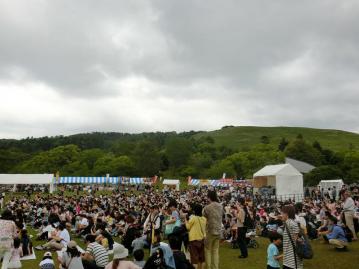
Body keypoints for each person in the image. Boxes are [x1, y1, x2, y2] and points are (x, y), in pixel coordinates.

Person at [203, 190, 223, 269]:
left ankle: (208, 267)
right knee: (215, 251)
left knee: (207, 250)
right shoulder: (220, 206)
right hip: (218, 230)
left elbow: (204, 217)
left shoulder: (207, 207)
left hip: (210, 231)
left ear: (209, 197)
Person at [185, 203, 206, 269]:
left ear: (194, 210)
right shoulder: (204, 219)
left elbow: (188, 227)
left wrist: (186, 220)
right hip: (202, 239)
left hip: (193, 239)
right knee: (202, 258)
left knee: (194, 258)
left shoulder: (193, 218)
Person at [282, 205, 303, 269]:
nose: (281, 214)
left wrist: (299, 239)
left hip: (293, 260)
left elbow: (296, 240)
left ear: (287, 214)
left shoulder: (291, 223)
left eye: (282, 213)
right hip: (288, 258)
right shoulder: (288, 222)